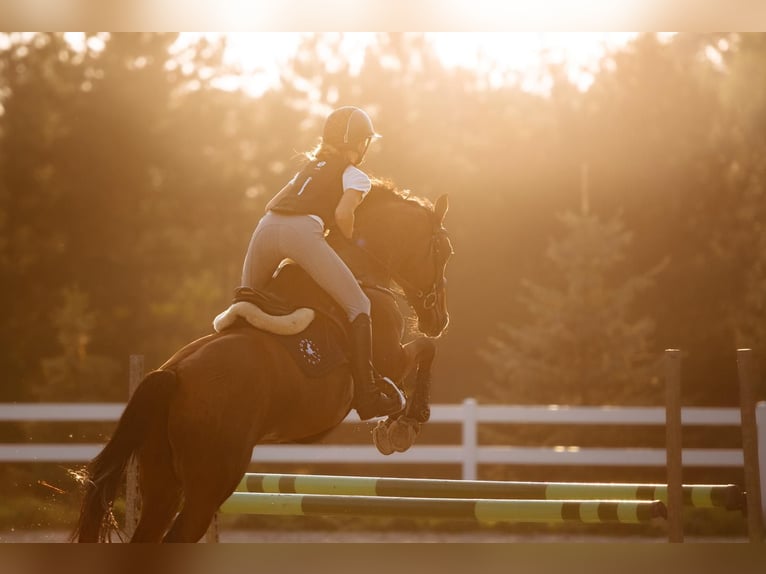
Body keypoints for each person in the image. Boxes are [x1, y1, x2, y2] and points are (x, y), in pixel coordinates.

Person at [240, 106, 404, 420]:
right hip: (301, 233)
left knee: (245, 304)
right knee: (359, 305)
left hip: (265, 229)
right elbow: (343, 215)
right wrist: (352, 238)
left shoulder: (308, 168)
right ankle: (367, 395)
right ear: (359, 143)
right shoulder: (355, 175)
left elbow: (272, 203)